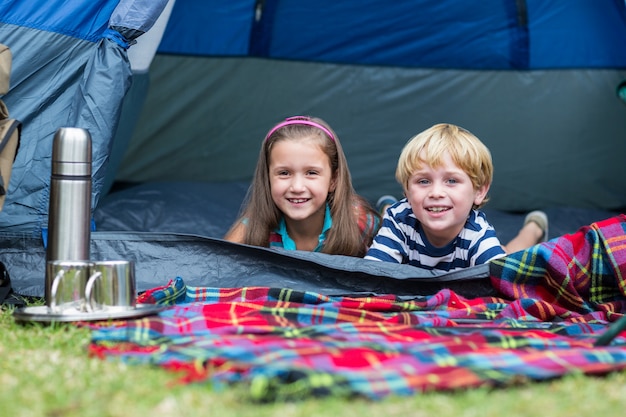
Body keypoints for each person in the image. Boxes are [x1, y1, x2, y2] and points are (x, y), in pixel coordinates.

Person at [365, 123, 548, 272]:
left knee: (510, 257)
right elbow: (374, 273)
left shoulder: (477, 234)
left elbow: (504, 280)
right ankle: (388, 206)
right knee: (390, 216)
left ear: (479, 191)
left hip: (486, 247)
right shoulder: (399, 220)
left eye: (451, 180)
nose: (436, 193)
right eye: (423, 181)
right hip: (401, 215)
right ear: (407, 192)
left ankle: (533, 228)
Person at [225, 116, 380, 257]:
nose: (297, 187)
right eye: (284, 173)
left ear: (333, 180)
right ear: (268, 179)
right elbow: (217, 270)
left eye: (311, 173)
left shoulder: (358, 220)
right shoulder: (251, 230)